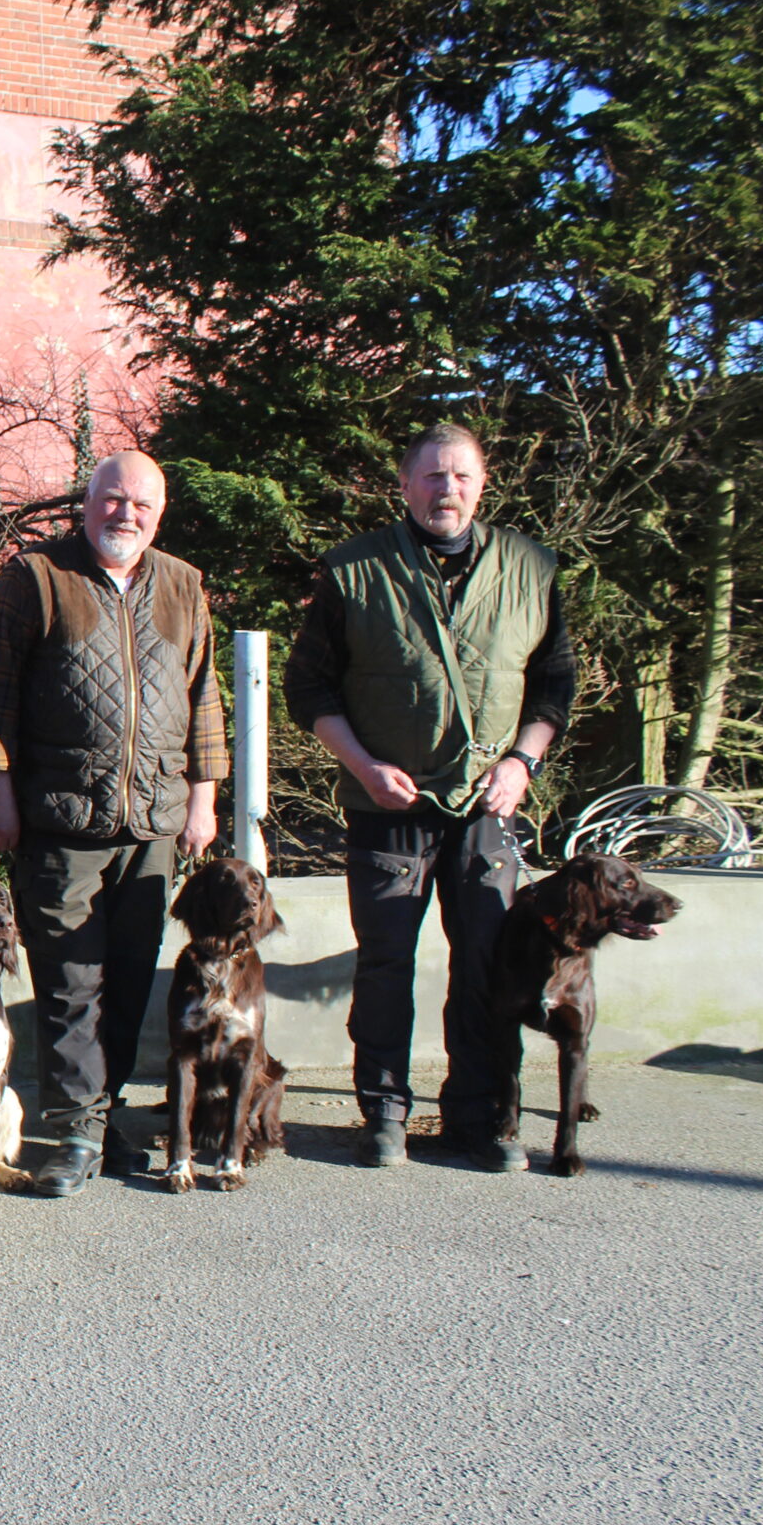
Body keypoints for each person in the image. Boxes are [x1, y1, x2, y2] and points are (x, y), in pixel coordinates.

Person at [285, 422, 573, 1171]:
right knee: (386, 964)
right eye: (433, 477)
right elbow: (307, 685)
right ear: (405, 485)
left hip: (488, 807)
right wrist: (363, 763)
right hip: (386, 806)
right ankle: (382, 1112)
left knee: (487, 962)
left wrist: (521, 762)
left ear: (484, 485)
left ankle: (478, 1118)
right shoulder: (352, 571)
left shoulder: (532, 568)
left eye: (463, 477)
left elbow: (553, 688)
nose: (448, 490)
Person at [0, 451, 225, 1196]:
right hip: (60, 817)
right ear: (88, 502)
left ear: (160, 512)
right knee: (70, 979)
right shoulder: (37, 577)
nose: (126, 514)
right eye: (113, 499)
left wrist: (203, 799)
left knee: (129, 976)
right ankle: (78, 1129)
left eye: (141, 504)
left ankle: (105, 1119)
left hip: (153, 821)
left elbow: (204, 696)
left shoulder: (182, 585)